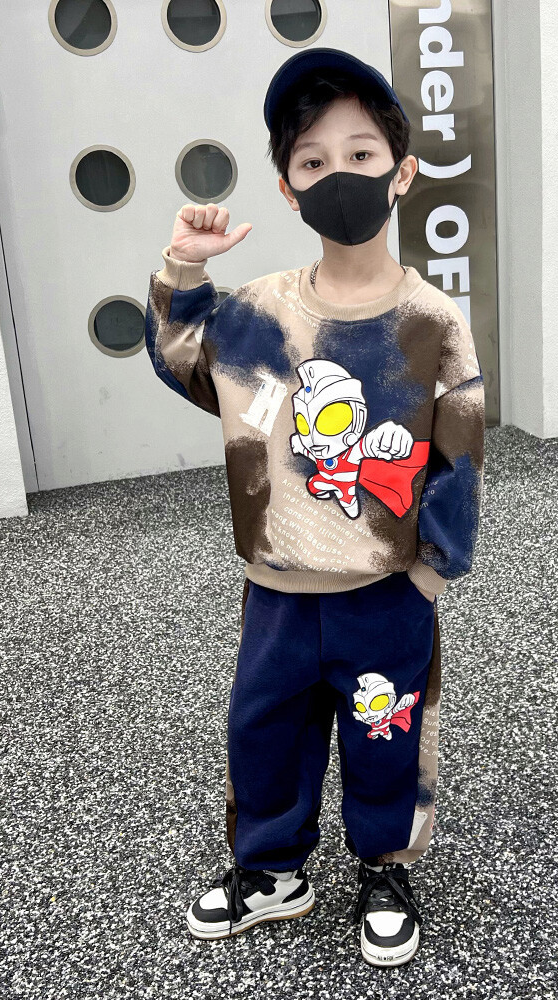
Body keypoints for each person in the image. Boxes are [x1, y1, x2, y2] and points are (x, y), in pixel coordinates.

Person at [144, 46, 485, 968]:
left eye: (362, 154)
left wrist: (430, 573)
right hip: (278, 593)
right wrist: (185, 265)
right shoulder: (256, 313)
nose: (340, 175)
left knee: (385, 734)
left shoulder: (432, 321)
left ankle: (385, 867)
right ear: (289, 190)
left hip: (385, 591)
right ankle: (271, 870)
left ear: (402, 171)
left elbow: (459, 454)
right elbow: (184, 360)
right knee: (264, 732)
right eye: (313, 161)